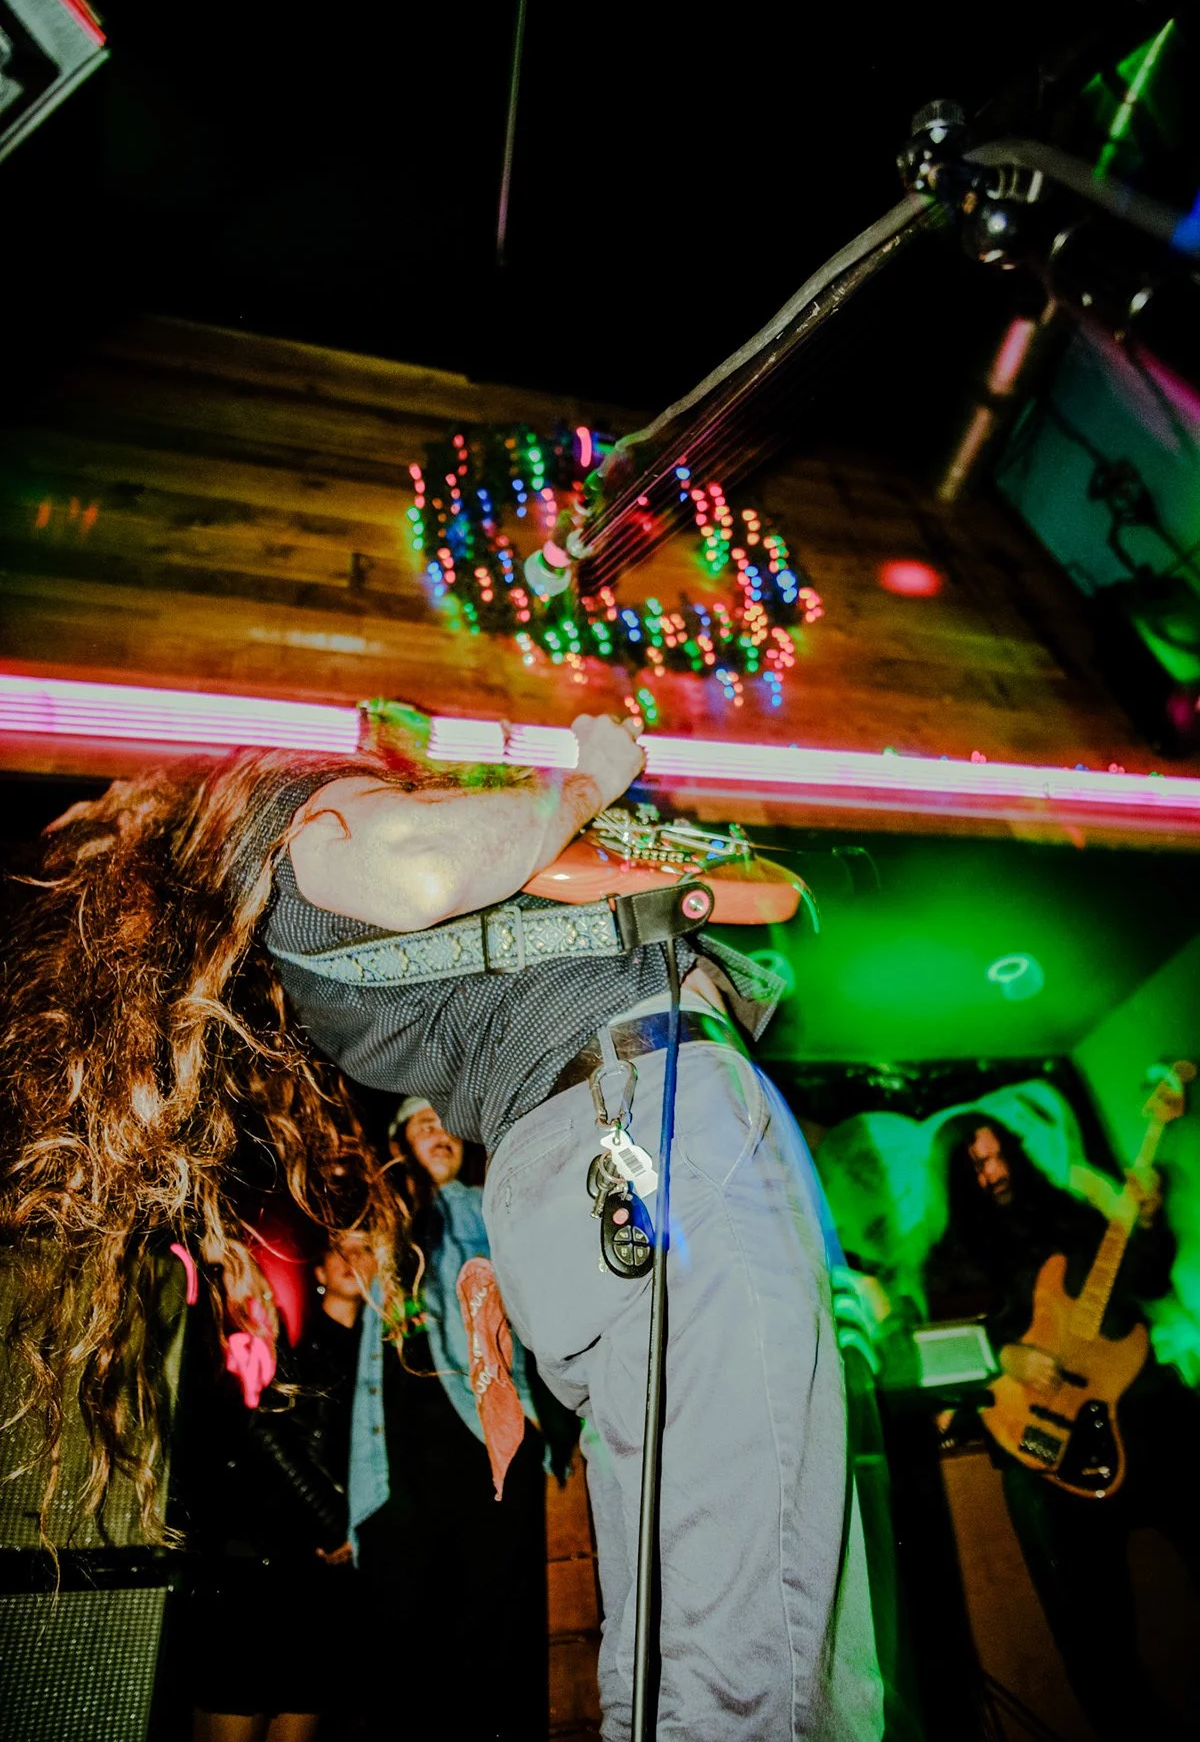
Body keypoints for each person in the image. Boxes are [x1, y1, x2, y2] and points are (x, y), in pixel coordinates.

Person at [0, 716, 882, 1742]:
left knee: (723, 1594)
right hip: (633, 1122)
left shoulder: (302, 946)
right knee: (751, 1624)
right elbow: (411, 868)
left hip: (598, 1140)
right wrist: (583, 782)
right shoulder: (302, 827)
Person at [928, 1111, 1200, 1741]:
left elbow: (1149, 1276)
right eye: (976, 1163)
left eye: (999, 1155)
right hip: (1039, 1429)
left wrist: (1149, 1221)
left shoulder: (1072, 1215)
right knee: (1089, 1631)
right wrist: (1004, 1356)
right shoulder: (951, 1256)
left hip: (1136, 1398)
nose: (993, 1171)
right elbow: (940, 1346)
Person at [343, 1096, 551, 1742]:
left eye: (445, 1121)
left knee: (492, 1642)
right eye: (420, 1121)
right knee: (406, 1652)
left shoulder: (494, 1211)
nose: (438, 1130)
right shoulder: (376, 1221)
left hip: (484, 1457)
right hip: (399, 1468)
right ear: (398, 1140)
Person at [182, 1233, 368, 1742]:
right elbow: (267, 1444)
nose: (260, 1295)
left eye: (264, 1291)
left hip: (307, 1586)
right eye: (243, 1284)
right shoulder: (217, 1360)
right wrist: (337, 1525)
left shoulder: (292, 1362)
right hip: (244, 1585)